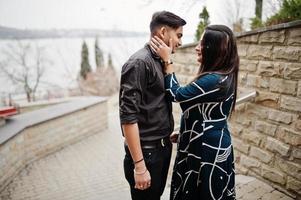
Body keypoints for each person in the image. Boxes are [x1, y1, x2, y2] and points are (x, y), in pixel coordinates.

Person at [150, 24, 238, 200]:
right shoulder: (222, 75)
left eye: (202, 44)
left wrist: (167, 61)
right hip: (204, 141)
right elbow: (202, 109)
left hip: (207, 149)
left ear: (214, 48)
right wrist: (185, 132)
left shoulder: (215, 79)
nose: (197, 48)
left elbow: (177, 94)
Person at [119, 11, 186, 200]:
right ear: (163, 32)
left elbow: (162, 101)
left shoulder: (160, 61)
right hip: (147, 154)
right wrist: (139, 166)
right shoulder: (139, 63)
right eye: (178, 35)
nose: (180, 42)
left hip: (162, 149)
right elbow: (128, 117)